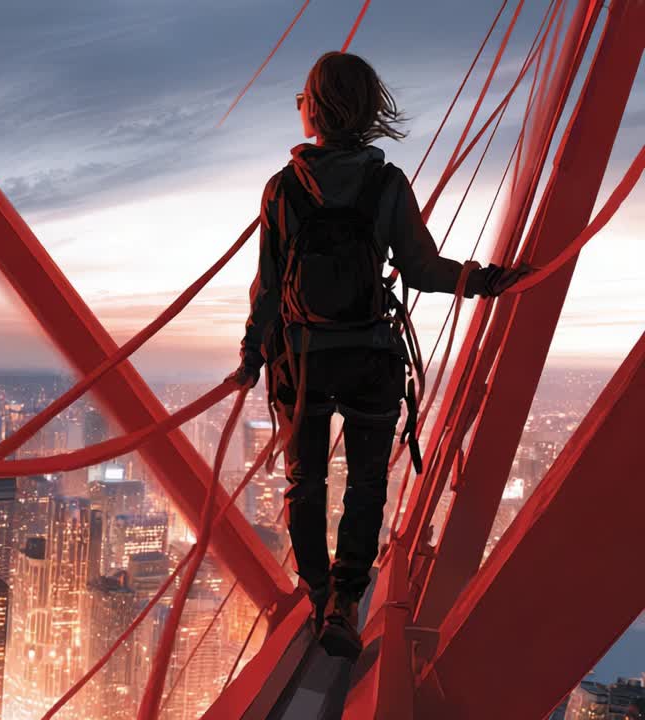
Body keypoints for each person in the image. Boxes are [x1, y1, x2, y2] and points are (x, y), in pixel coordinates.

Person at [226, 51, 529, 660]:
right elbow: (420, 269)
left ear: (313, 110)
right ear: (367, 111)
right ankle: (346, 601)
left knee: (304, 483)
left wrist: (253, 353)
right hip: (369, 358)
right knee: (366, 484)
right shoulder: (386, 184)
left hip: (302, 362)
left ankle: (316, 594)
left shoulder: (282, 188)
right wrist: (487, 280)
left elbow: (268, 285)